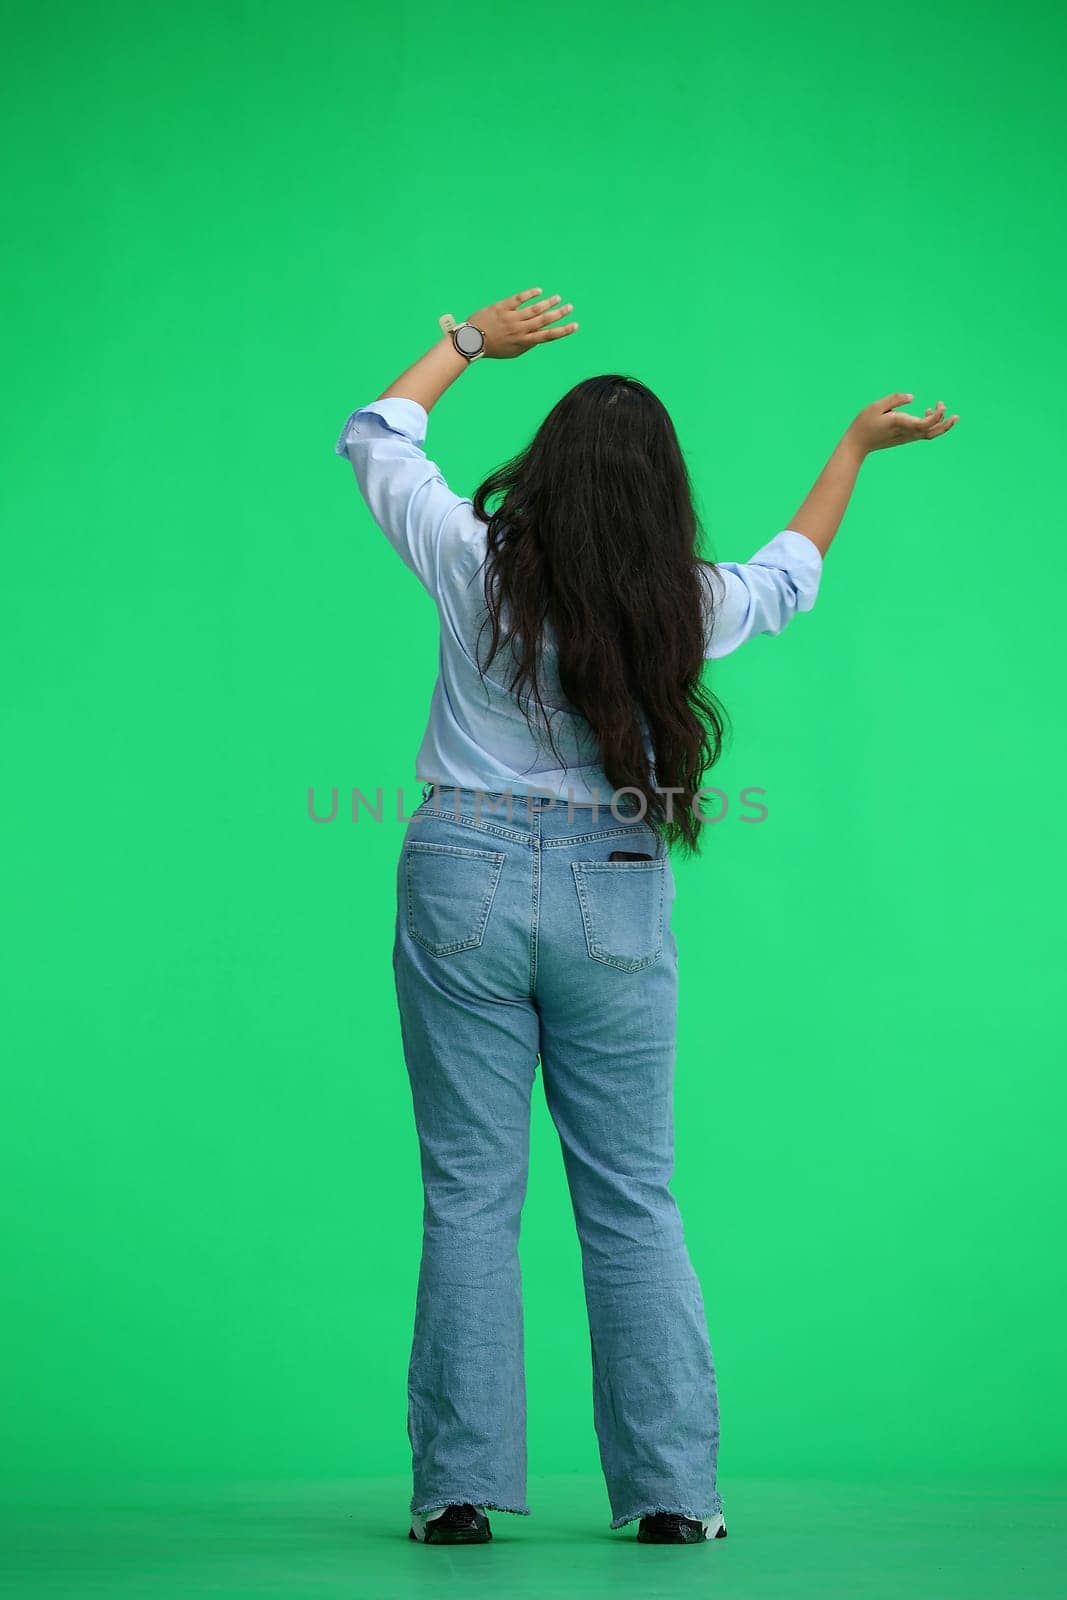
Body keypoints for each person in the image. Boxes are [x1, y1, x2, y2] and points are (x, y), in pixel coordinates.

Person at [333, 287, 958, 1548]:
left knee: (467, 1196)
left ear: (548, 474)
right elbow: (790, 575)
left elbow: (374, 440)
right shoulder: (685, 603)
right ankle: (671, 1494)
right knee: (630, 1197)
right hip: (615, 880)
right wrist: (849, 449)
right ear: (660, 494)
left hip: (458, 864)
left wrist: (465, 345)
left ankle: (456, 1494)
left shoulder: (471, 561)